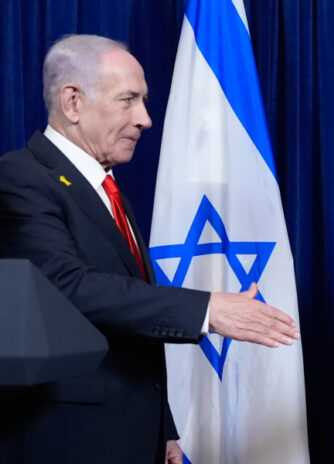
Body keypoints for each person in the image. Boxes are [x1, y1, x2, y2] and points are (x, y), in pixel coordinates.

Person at [0, 35, 299, 464]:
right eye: (128, 100)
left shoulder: (105, 187)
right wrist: (208, 310)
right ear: (72, 102)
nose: (145, 119)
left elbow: (128, 326)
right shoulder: (19, 177)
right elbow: (65, 288)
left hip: (131, 432)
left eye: (143, 101)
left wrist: (163, 427)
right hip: (65, 438)